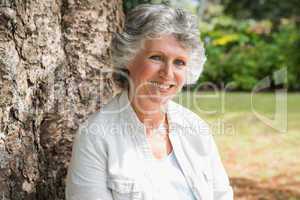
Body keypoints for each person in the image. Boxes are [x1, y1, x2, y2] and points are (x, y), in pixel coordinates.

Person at [66, 3, 233, 200]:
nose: (167, 74)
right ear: (128, 58)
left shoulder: (196, 129)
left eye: (179, 62)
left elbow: (222, 195)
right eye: (156, 57)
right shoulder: (95, 137)